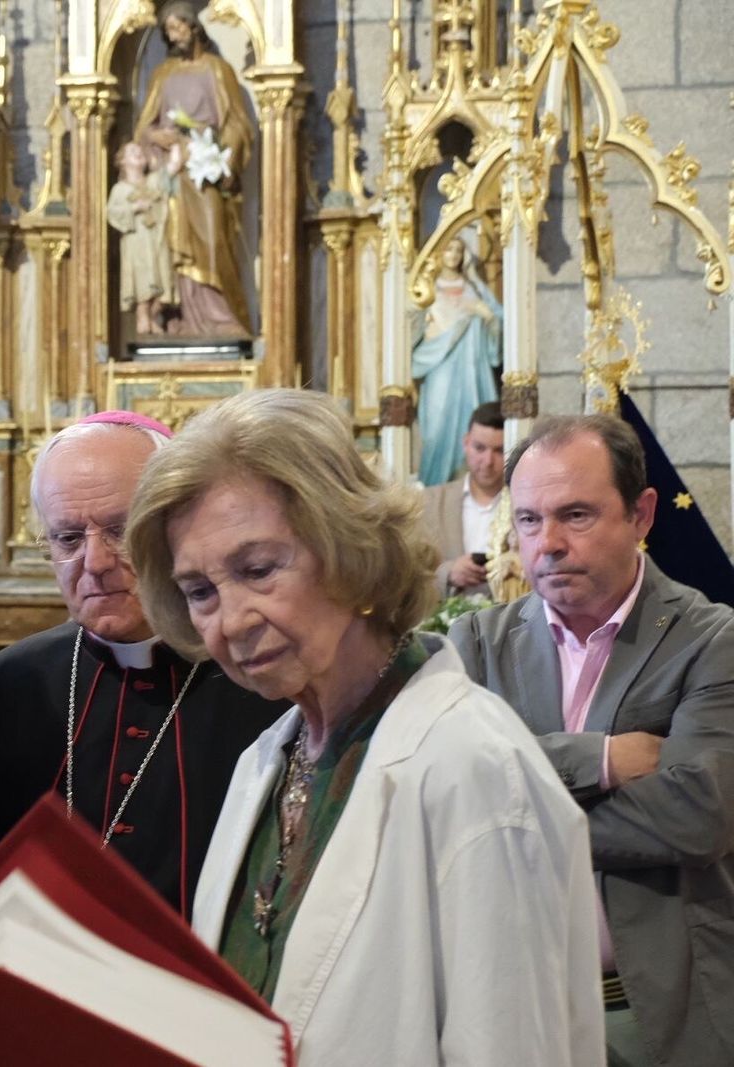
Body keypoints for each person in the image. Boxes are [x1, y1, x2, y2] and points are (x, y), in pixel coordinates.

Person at [127, 389, 603, 1065]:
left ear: (349, 549)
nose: (229, 620)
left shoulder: (473, 767)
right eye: (200, 590)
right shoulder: (266, 759)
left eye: (258, 569)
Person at [449, 414, 734, 1067]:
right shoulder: (474, 646)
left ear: (642, 514)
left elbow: (700, 814)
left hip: (661, 1012)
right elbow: (438, 795)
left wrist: (506, 804)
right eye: (527, 519)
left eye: (575, 515)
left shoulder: (712, 640)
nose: (545, 543)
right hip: (508, 1009)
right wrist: (605, 757)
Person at [0, 411, 282, 914]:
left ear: (175, 529)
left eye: (120, 530)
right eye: (67, 538)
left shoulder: (257, 676)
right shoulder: (7, 686)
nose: (95, 563)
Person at [134, 0, 253, 339]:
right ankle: (180, 320)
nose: (174, 35)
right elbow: (144, 128)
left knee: (214, 241)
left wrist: (218, 151)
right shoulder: (162, 75)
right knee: (172, 248)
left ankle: (221, 314)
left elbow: (238, 124)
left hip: (206, 175)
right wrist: (157, 137)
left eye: (178, 27)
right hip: (174, 175)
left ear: (193, 27)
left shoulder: (218, 70)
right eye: (168, 30)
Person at [413, 236, 502, 486]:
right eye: (448, 249)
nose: (453, 254)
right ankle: (435, 489)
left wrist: (486, 318)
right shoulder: (426, 287)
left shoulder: (473, 285)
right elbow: (412, 324)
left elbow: (498, 316)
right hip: (439, 365)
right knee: (436, 429)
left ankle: (476, 483)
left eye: (458, 250)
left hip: (473, 368)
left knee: (474, 419)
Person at [419, 401, 504, 597]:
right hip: (444, 620)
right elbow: (407, 572)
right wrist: (449, 573)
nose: (488, 461)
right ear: (466, 443)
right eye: (480, 448)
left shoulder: (523, 505)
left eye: (499, 451)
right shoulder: (431, 502)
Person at [108, 142, 178, 336]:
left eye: (140, 151)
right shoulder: (120, 189)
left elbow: (172, 168)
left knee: (161, 275)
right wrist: (134, 207)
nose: (138, 153)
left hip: (157, 239)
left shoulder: (153, 181)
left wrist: (176, 138)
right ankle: (142, 316)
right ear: (122, 162)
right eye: (132, 152)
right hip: (136, 241)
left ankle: (155, 314)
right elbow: (113, 213)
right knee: (143, 279)